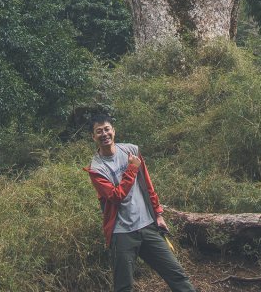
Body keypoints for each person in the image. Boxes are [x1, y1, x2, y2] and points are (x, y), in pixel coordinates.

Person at [85, 114, 198, 292]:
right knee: (124, 287)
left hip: (147, 226)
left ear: (114, 131)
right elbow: (116, 196)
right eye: (99, 131)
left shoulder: (131, 151)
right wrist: (131, 169)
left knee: (176, 275)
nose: (104, 134)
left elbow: (147, 184)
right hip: (121, 233)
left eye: (107, 129)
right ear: (93, 137)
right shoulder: (96, 169)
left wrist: (158, 214)